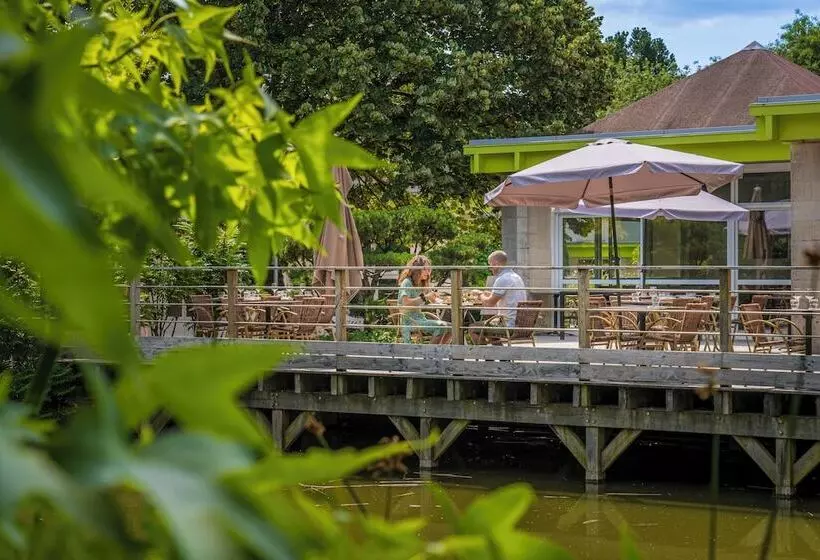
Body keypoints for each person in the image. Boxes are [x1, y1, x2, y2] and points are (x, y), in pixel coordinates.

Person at [469, 250, 527, 345]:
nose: (490, 268)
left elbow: (489, 303)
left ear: (496, 264)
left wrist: (480, 295)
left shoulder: (502, 279)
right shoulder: (515, 277)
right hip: (519, 323)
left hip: (508, 324)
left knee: (473, 328)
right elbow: (505, 297)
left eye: (490, 265)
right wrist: (488, 294)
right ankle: (502, 358)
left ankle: (487, 358)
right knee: (489, 326)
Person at [397, 255, 452, 344]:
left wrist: (443, 299)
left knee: (451, 328)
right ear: (416, 270)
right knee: (441, 327)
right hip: (410, 321)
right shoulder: (407, 282)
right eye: (425, 269)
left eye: (429, 270)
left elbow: (433, 299)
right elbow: (405, 303)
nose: (428, 272)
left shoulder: (421, 283)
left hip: (420, 319)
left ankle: (438, 352)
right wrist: (425, 297)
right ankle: (430, 354)